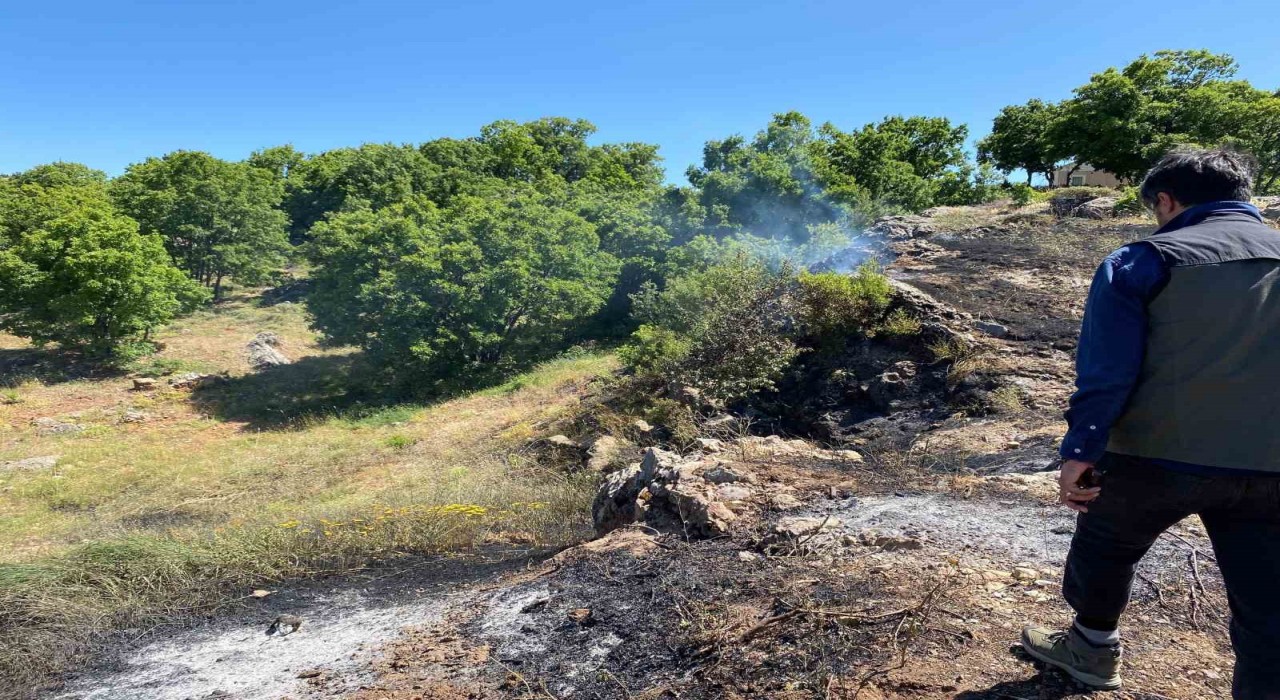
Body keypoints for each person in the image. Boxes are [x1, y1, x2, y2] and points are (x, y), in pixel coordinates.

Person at [1020, 148, 1280, 698]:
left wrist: (1080, 453)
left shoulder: (1142, 260)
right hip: (1273, 468)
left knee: (1104, 550)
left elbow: (1106, 371)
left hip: (1153, 456)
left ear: (1166, 200)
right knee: (1268, 612)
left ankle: (1091, 649)